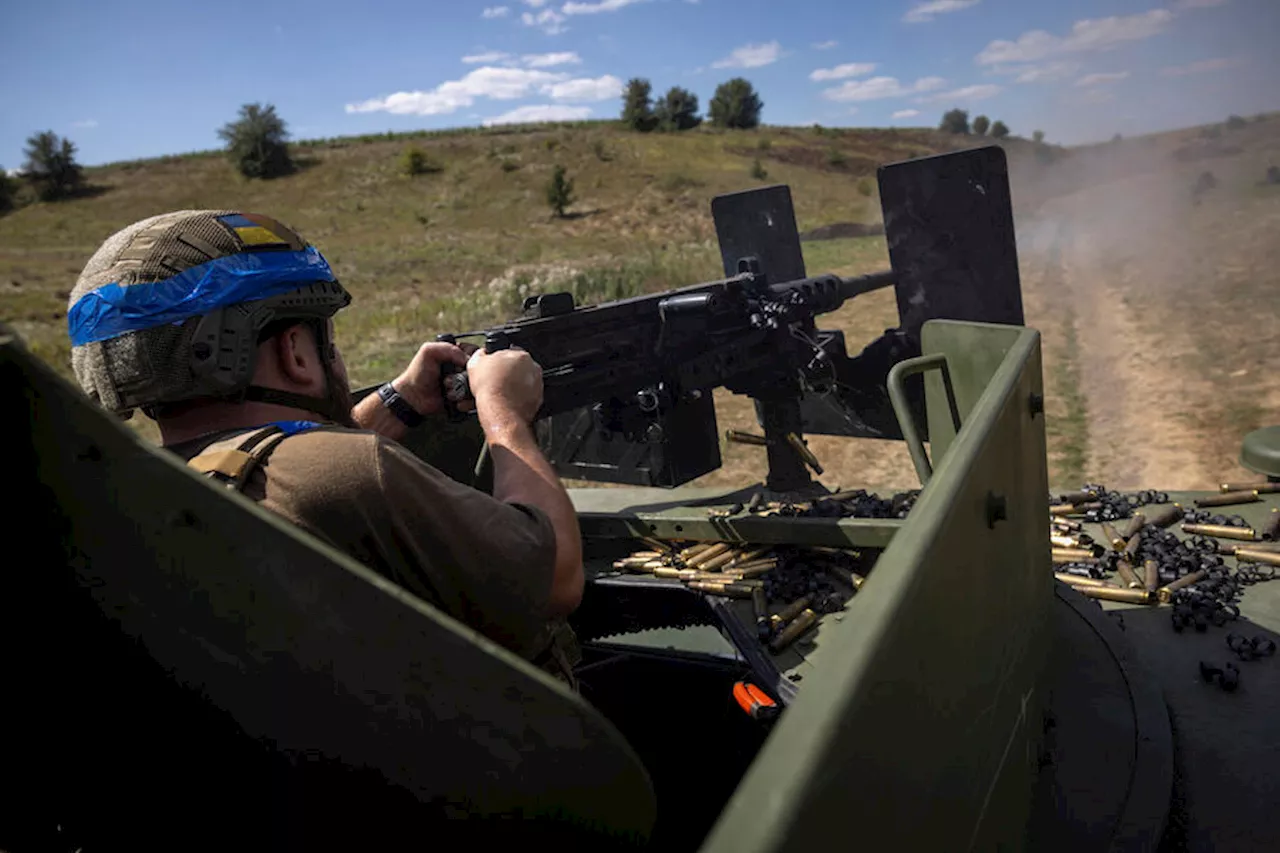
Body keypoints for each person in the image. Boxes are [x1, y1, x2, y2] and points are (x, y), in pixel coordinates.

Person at [66, 209, 584, 682]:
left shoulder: (140, 491)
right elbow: (556, 576)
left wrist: (399, 402)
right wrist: (505, 412)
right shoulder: (357, 471)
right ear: (294, 350)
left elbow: (274, 462)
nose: (335, 358)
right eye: (325, 338)